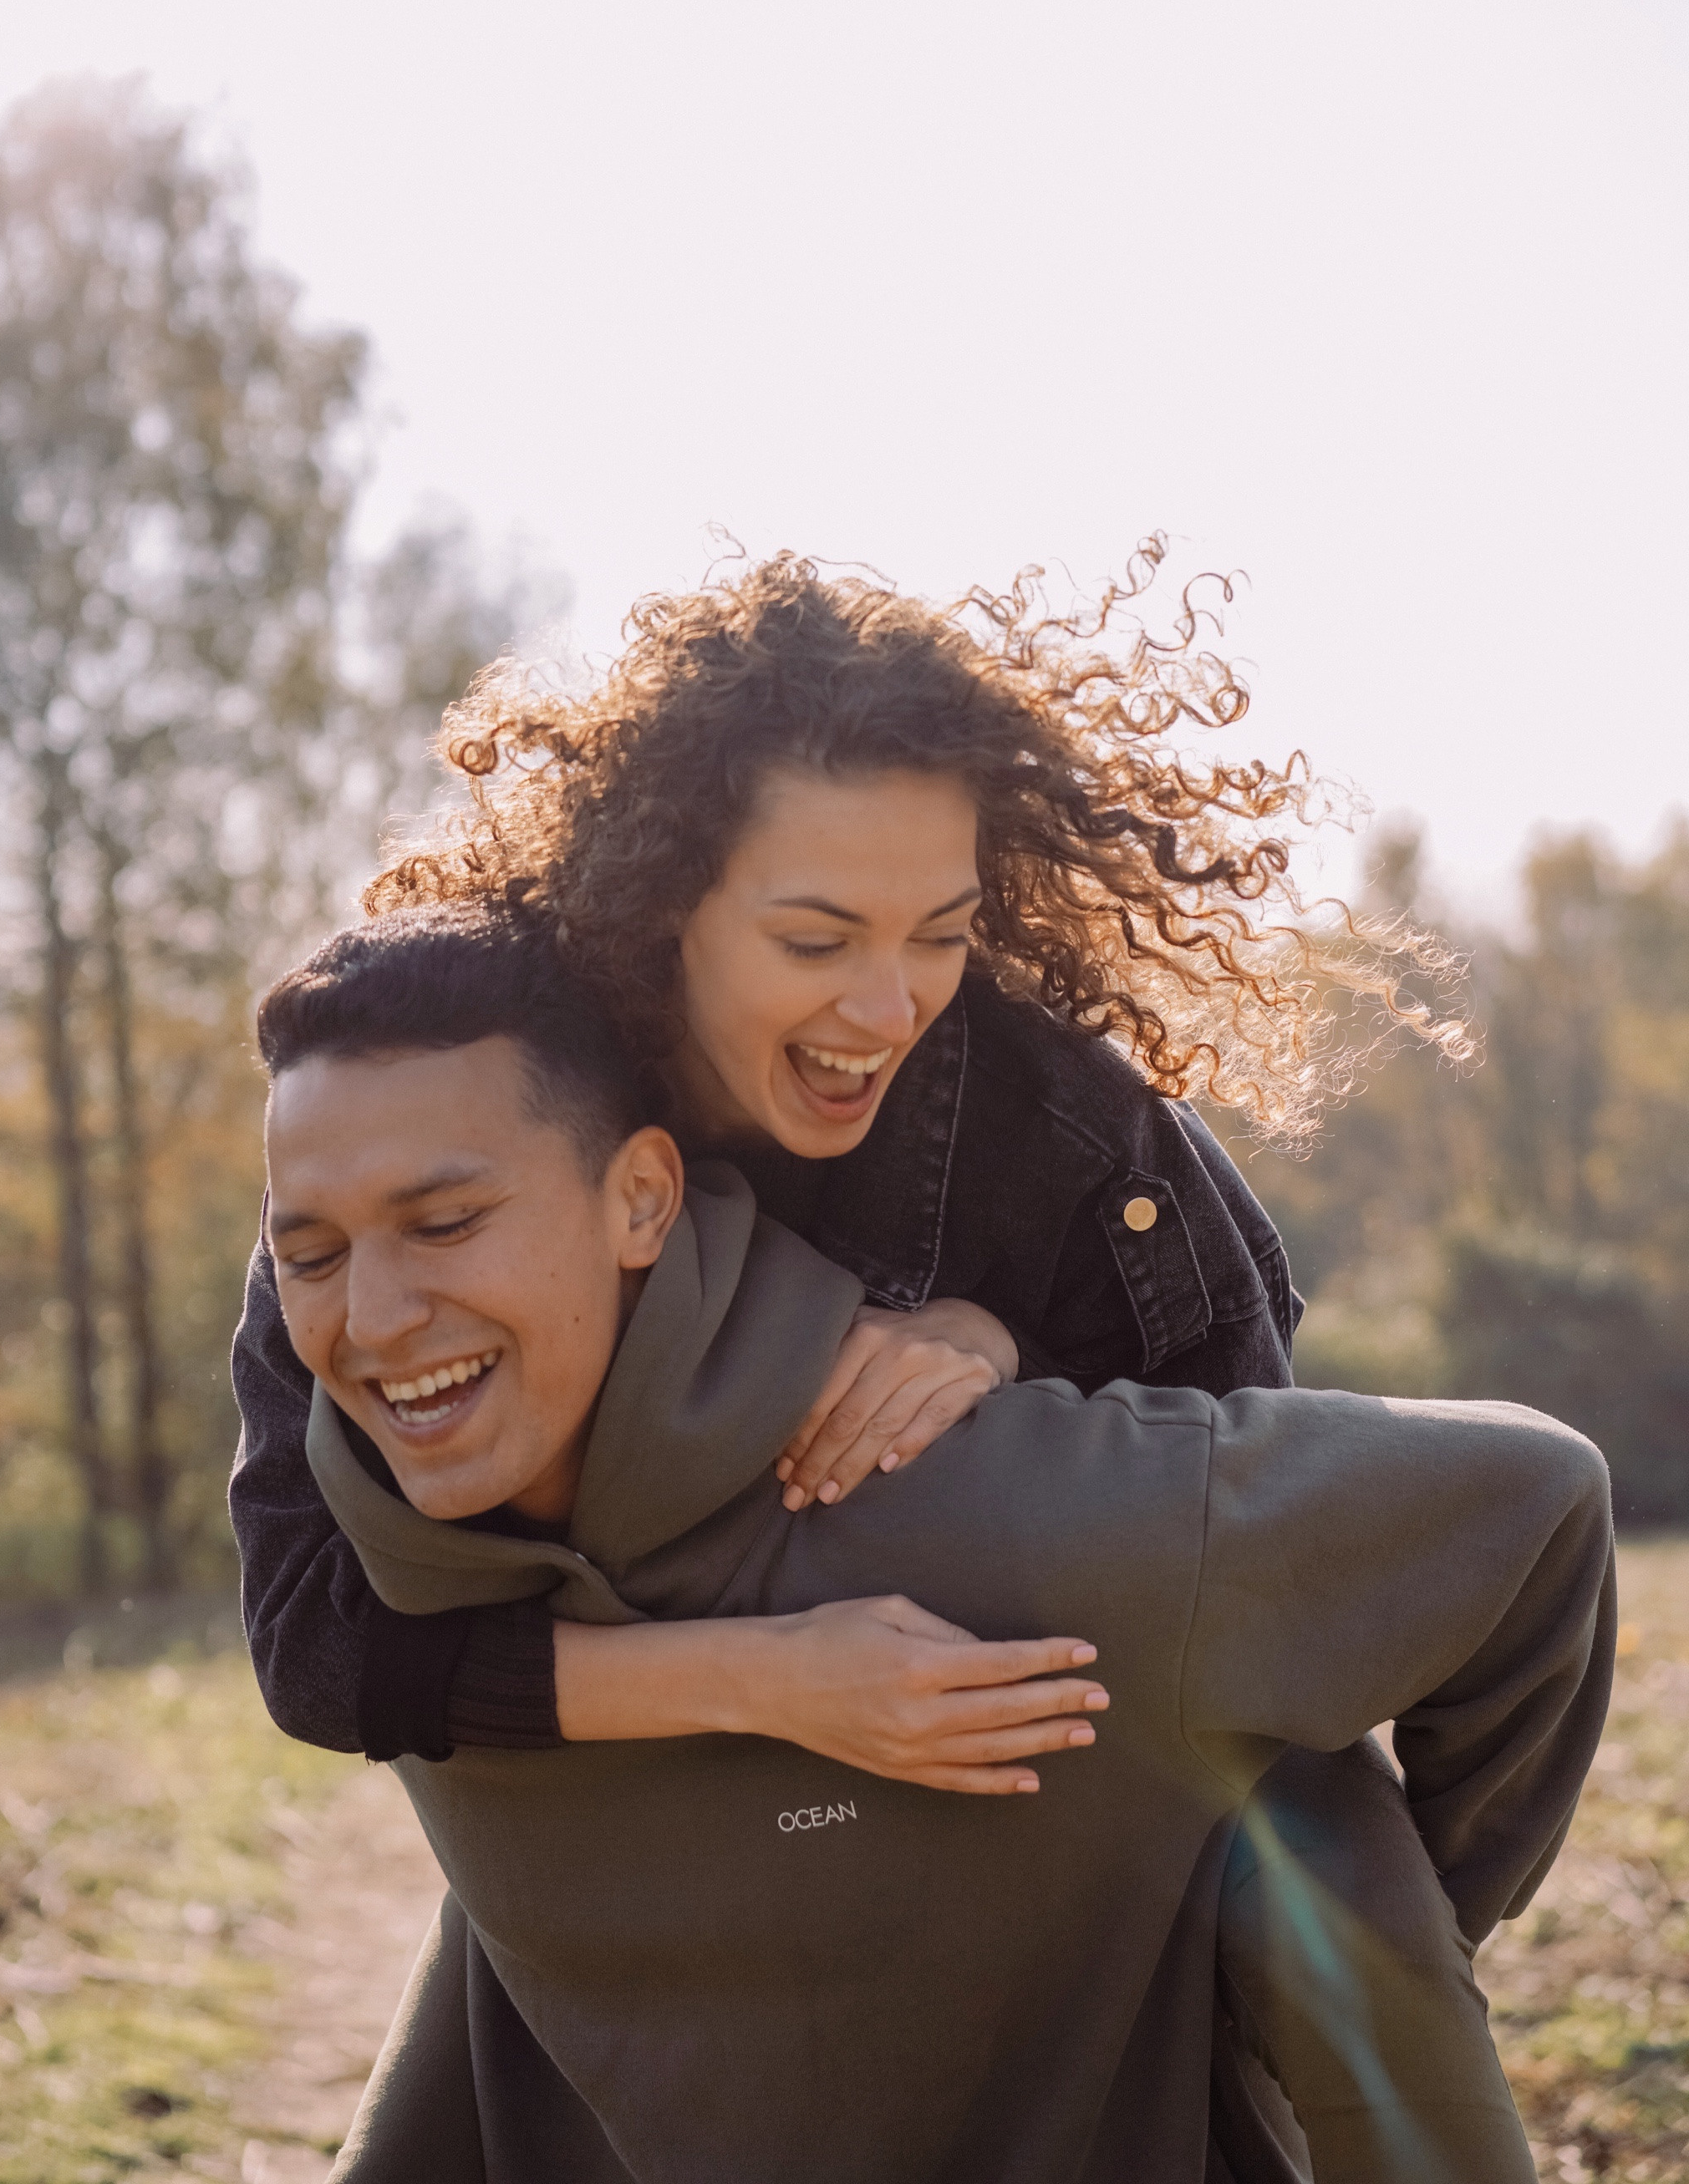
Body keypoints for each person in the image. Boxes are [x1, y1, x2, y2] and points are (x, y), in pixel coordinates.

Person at [230, 551, 1478, 2164]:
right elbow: (317, 1650)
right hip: (612, 1787)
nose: (891, 1008)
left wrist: (1000, 1338)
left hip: (1063, 1748)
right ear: (663, 903)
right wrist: (772, 1677)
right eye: (817, 939)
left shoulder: (1069, 1141)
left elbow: (1251, 1532)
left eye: (941, 933)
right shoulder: (453, 1110)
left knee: (1354, 1933)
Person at [254, 906, 1614, 2184]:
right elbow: (314, 1665)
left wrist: (1378, 1927)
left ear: (642, 1199)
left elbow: (1536, 1505)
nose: (371, 1320)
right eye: (310, 1255)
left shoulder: (990, 1510)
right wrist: (752, 1679)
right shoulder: (386, 1584)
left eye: (445, 1224)